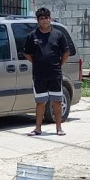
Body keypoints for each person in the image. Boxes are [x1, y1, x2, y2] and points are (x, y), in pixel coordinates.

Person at [23, 7, 70, 136]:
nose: (45, 21)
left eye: (47, 18)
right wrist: (38, 63)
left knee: (57, 101)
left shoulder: (58, 35)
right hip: (39, 76)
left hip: (55, 74)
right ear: (38, 20)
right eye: (42, 18)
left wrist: (58, 64)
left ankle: (59, 128)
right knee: (40, 102)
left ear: (50, 19)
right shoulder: (32, 35)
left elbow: (66, 52)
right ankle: (38, 128)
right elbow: (27, 53)